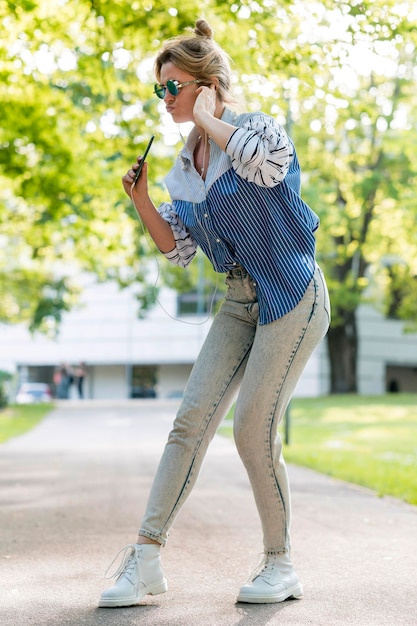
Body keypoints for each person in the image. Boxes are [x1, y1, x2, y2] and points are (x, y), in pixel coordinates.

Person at [99, 18, 330, 608]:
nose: (164, 99)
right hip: (239, 301)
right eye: (160, 90)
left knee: (251, 427)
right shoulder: (182, 166)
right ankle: (145, 558)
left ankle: (280, 564)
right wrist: (144, 199)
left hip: (293, 294)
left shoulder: (257, 129)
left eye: (171, 86)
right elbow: (178, 250)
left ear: (207, 84)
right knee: (190, 420)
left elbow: (268, 170)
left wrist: (208, 119)